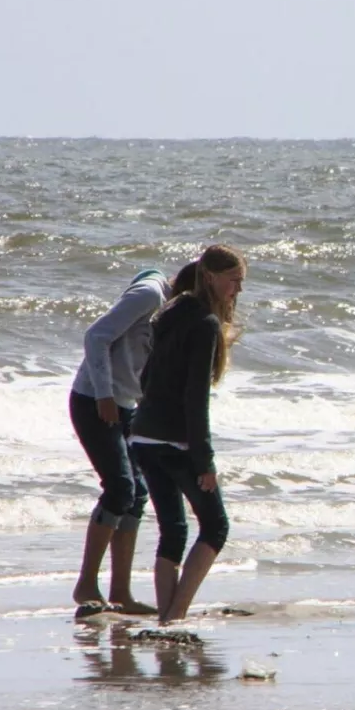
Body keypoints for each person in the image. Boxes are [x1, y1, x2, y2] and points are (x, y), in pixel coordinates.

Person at [129, 244, 246, 625]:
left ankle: (167, 618)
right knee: (215, 526)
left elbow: (146, 377)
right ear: (210, 276)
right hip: (176, 442)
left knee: (173, 530)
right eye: (234, 280)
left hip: (144, 435)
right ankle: (176, 612)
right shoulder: (205, 323)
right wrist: (205, 461)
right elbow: (196, 400)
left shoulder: (171, 310)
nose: (238, 290)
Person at [68, 265, 191, 615]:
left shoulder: (177, 314)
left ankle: (120, 592)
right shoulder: (151, 295)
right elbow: (96, 336)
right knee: (120, 488)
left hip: (126, 406)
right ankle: (86, 586)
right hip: (94, 399)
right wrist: (104, 394)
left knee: (137, 493)